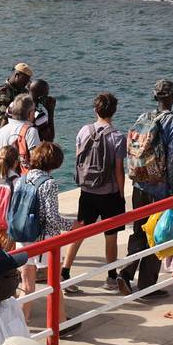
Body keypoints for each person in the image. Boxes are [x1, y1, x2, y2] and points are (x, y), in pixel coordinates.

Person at [119, 80, 173, 296]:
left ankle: (126, 273)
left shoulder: (143, 117)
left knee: (138, 231)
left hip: (140, 185)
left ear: (155, 97)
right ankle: (147, 286)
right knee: (156, 235)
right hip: (160, 189)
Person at [64, 93, 129, 295]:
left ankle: (64, 271)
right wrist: (121, 191)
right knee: (110, 236)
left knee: (79, 231)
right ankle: (110, 277)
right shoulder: (117, 137)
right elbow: (119, 169)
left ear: (95, 110)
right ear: (114, 111)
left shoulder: (84, 131)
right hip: (109, 192)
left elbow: (78, 160)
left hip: (87, 190)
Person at [14, 143, 71, 318]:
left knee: (27, 285)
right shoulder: (49, 184)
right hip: (44, 241)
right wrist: (72, 225)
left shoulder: (22, 179)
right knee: (55, 283)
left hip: (22, 236)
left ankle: (21, 323)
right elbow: (53, 218)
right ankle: (60, 322)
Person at [0, 64, 33, 134]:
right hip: (7, 134)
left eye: (28, 81)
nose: (26, 84)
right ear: (17, 75)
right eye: (24, 80)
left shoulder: (20, 91)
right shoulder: (3, 94)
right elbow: (2, 123)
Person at [0, 95, 40, 167]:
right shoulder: (30, 131)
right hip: (25, 177)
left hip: (4, 176)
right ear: (30, 114)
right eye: (34, 111)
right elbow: (36, 161)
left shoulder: (2, 130)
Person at [29, 78, 58, 143]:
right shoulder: (38, 114)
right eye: (46, 95)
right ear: (40, 97)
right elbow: (49, 139)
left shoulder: (15, 105)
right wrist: (51, 111)